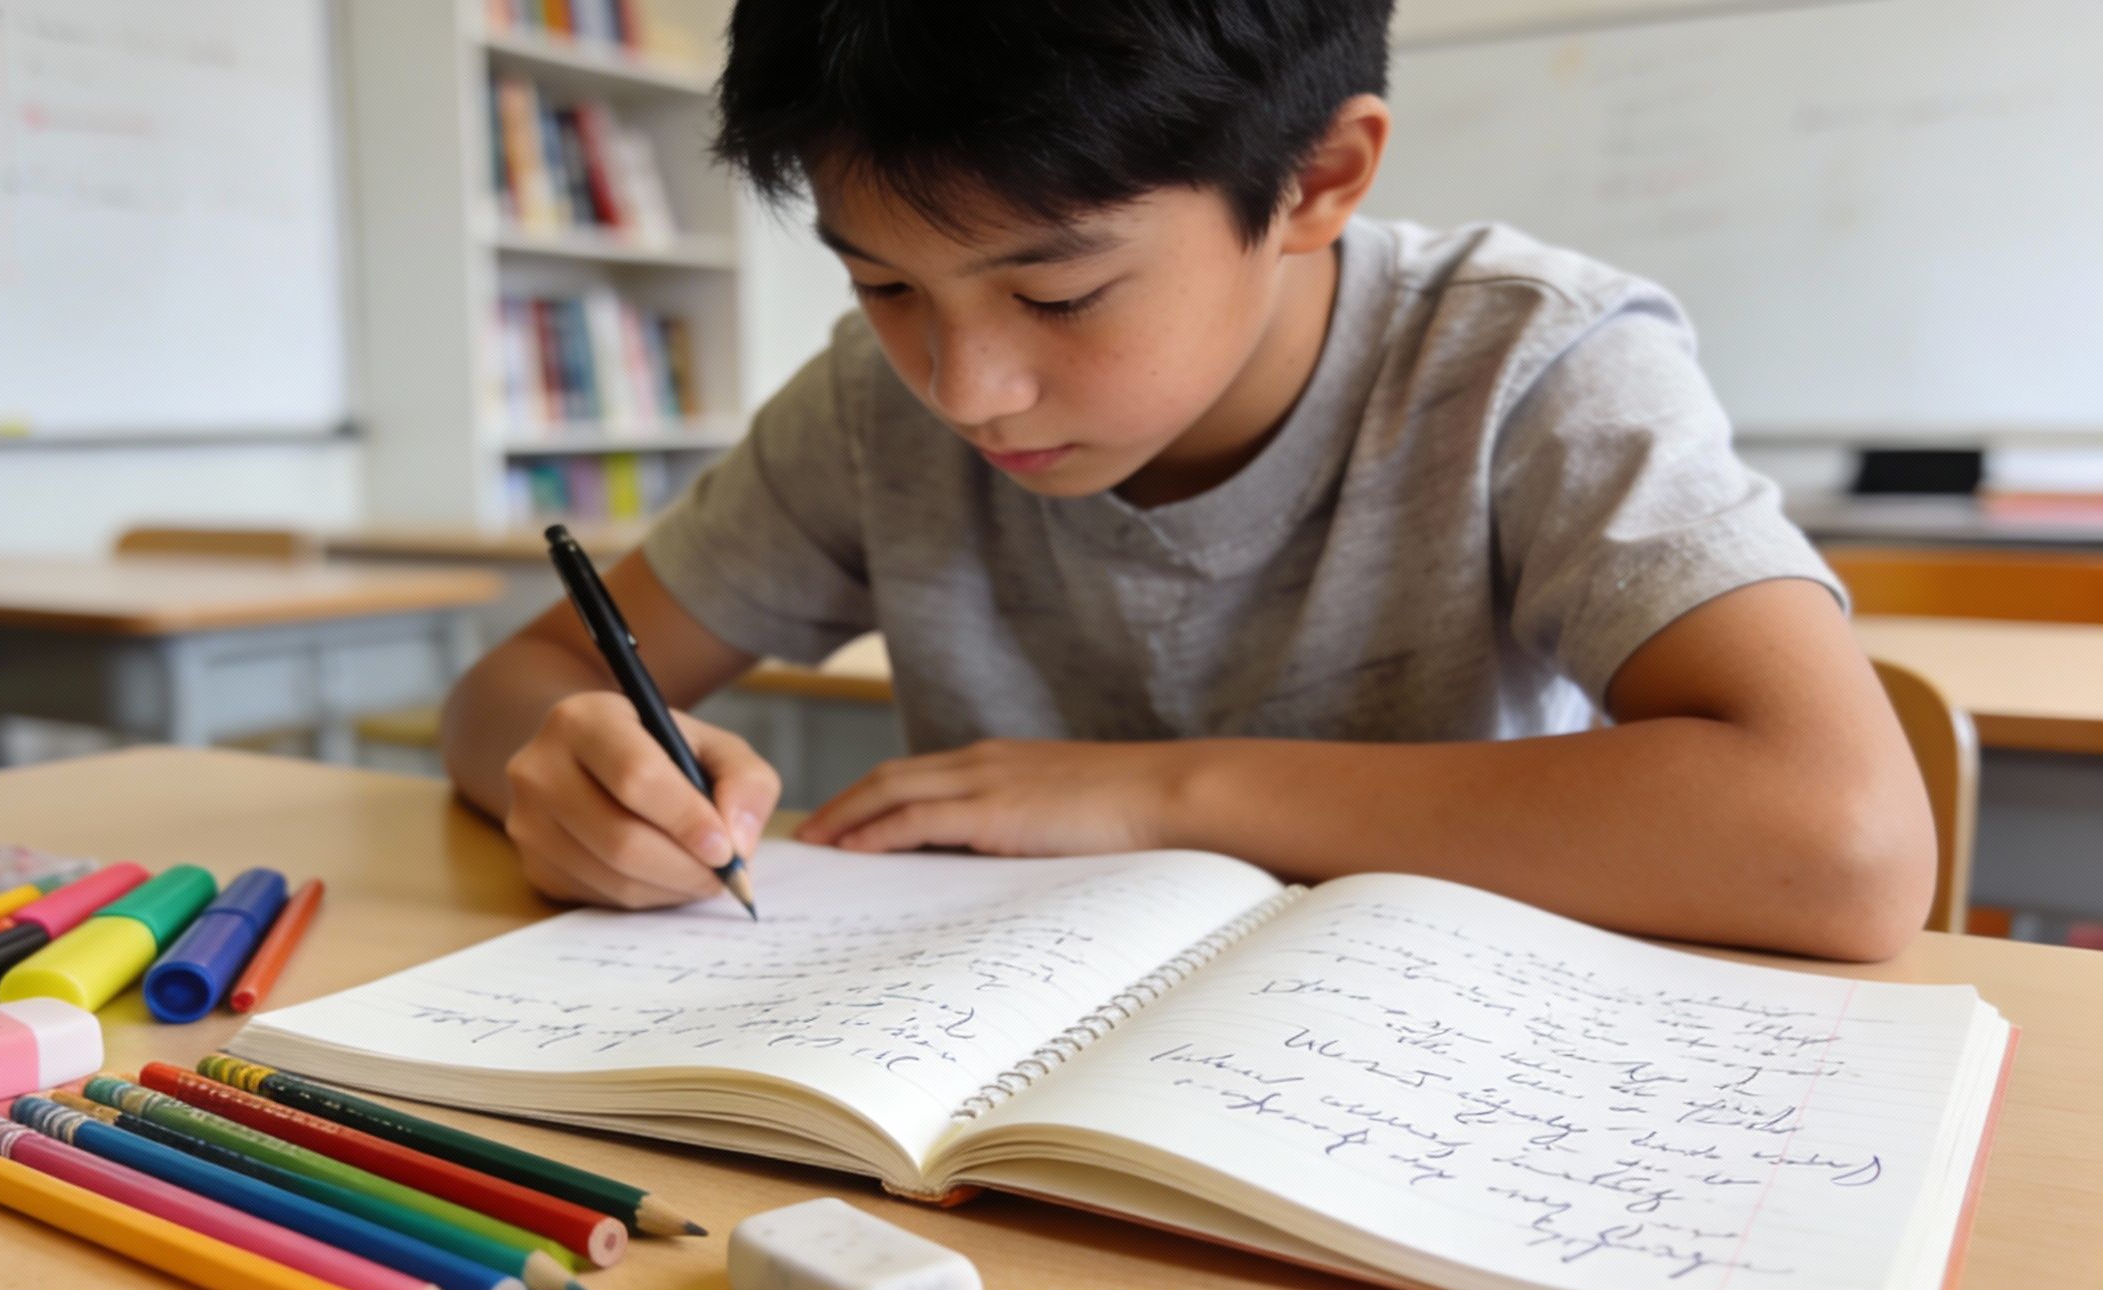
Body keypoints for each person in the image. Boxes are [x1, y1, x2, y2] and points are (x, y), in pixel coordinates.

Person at [443, 0, 1936, 961]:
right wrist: (579, 768)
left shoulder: (1526, 364)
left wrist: (1168, 794)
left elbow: (1844, 835)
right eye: (886, 286)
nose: (965, 392)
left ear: (1319, 179)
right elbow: (529, 676)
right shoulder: (865, 409)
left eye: (1062, 297)